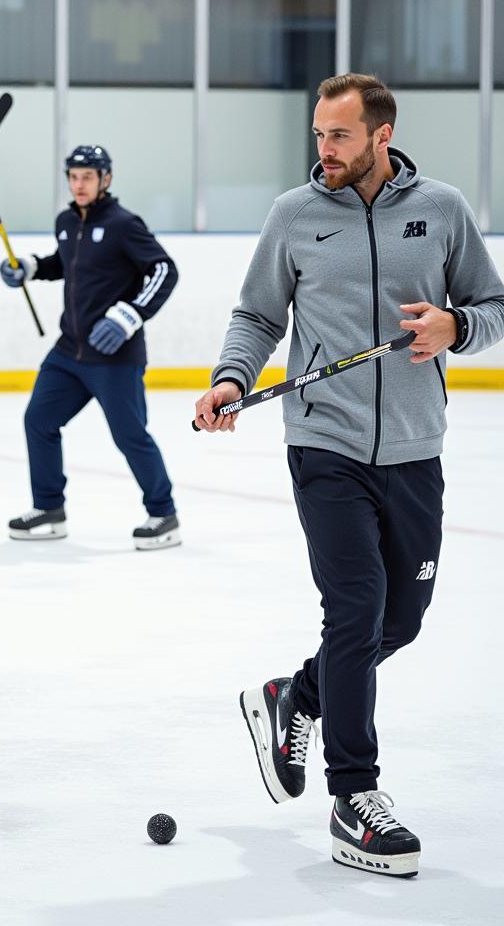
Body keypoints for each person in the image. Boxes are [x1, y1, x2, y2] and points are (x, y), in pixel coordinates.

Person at [194, 74, 504, 877]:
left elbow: (493, 306)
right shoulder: (295, 214)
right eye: (318, 136)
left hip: (413, 447)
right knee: (356, 604)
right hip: (323, 444)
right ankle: (354, 796)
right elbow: (258, 313)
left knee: (398, 621)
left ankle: (294, 694)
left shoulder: (441, 208)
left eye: (338, 136)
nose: (322, 151)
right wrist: (232, 377)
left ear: (381, 134)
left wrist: (456, 325)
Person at [0, 145, 180, 550]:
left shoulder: (123, 224)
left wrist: (130, 315)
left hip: (115, 357)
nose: (79, 184)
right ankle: (49, 508)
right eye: (73, 176)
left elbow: (164, 269)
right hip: (69, 353)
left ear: (106, 179)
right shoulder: (66, 221)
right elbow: (68, 263)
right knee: (39, 421)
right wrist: (30, 267)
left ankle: (164, 514)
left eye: (87, 176)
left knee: (130, 435)